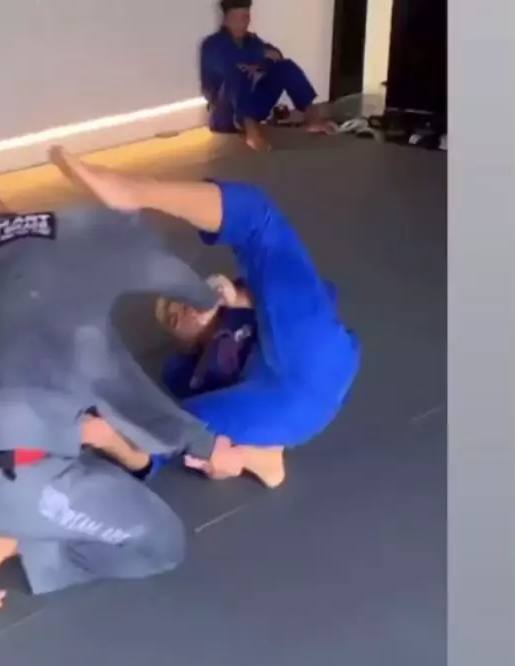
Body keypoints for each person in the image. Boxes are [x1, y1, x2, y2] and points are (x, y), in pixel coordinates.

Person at [0, 168, 236, 614]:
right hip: (21, 480)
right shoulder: (57, 229)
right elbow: (149, 267)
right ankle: (8, 544)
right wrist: (203, 301)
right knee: (162, 543)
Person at [48, 146, 361, 488]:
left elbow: (312, 293)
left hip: (319, 360)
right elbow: (166, 438)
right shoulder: (190, 375)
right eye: (172, 318)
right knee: (174, 430)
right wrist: (104, 437)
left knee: (258, 219)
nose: (181, 308)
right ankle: (257, 455)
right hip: (278, 407)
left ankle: (134, 191)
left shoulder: (249, 305)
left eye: (180, 299)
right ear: (184, 345)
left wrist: (239, 298)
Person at [199, 0, 336, 152]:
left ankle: (313, 118)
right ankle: (252, 134)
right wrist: (256, 58)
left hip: (253, 105)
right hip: (226, 114)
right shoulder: (212, 44)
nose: (245, 21)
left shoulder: (252, 40)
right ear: (227, 18)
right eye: (239, 17)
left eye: (246, 16)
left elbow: (276, 55)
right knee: (237, 75)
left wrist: (258, 65)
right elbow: (227, 65)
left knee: (285, 66)